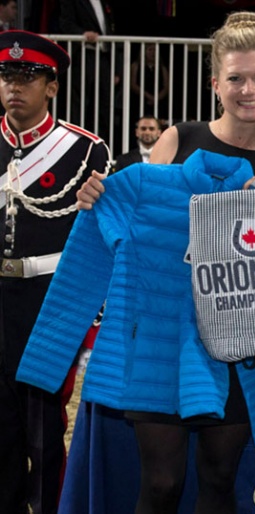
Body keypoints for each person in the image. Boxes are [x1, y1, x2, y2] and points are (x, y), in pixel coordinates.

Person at [72, 11, 255, 514]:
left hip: (237, 352)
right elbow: (137, 217)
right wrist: (99, 197)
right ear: (216, 83)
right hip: (163, 341)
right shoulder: (179, 138)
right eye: (236, 78)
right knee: (162, 483)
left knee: (218, 480)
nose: (248, 89)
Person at [0, 30, 111, 514]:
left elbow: (100, 236)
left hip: (51, 300)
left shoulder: (84, 151)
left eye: (28, 76)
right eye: (7, 75)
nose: (14, 86)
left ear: (52, 86)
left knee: (45, 429)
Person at [58, 0, 119, 143]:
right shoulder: (74, 2)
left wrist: (115, 68)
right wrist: (82, 33)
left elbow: (109, 30)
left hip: (104, 57)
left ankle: (102, 144)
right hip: (83, 56)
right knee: (79, 103)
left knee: (104, 104)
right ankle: (74, 143)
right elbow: (65, 23)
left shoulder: (104, 3)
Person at [129, 42, 169, 124]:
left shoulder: (162, 67)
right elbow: (133, 84)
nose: (153, 52)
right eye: (150, 50)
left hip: (158, 100)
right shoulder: (136, 65)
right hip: (140, 99)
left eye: (155, 50)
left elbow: (166, 86)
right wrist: (148, 96)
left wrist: (156, 98)